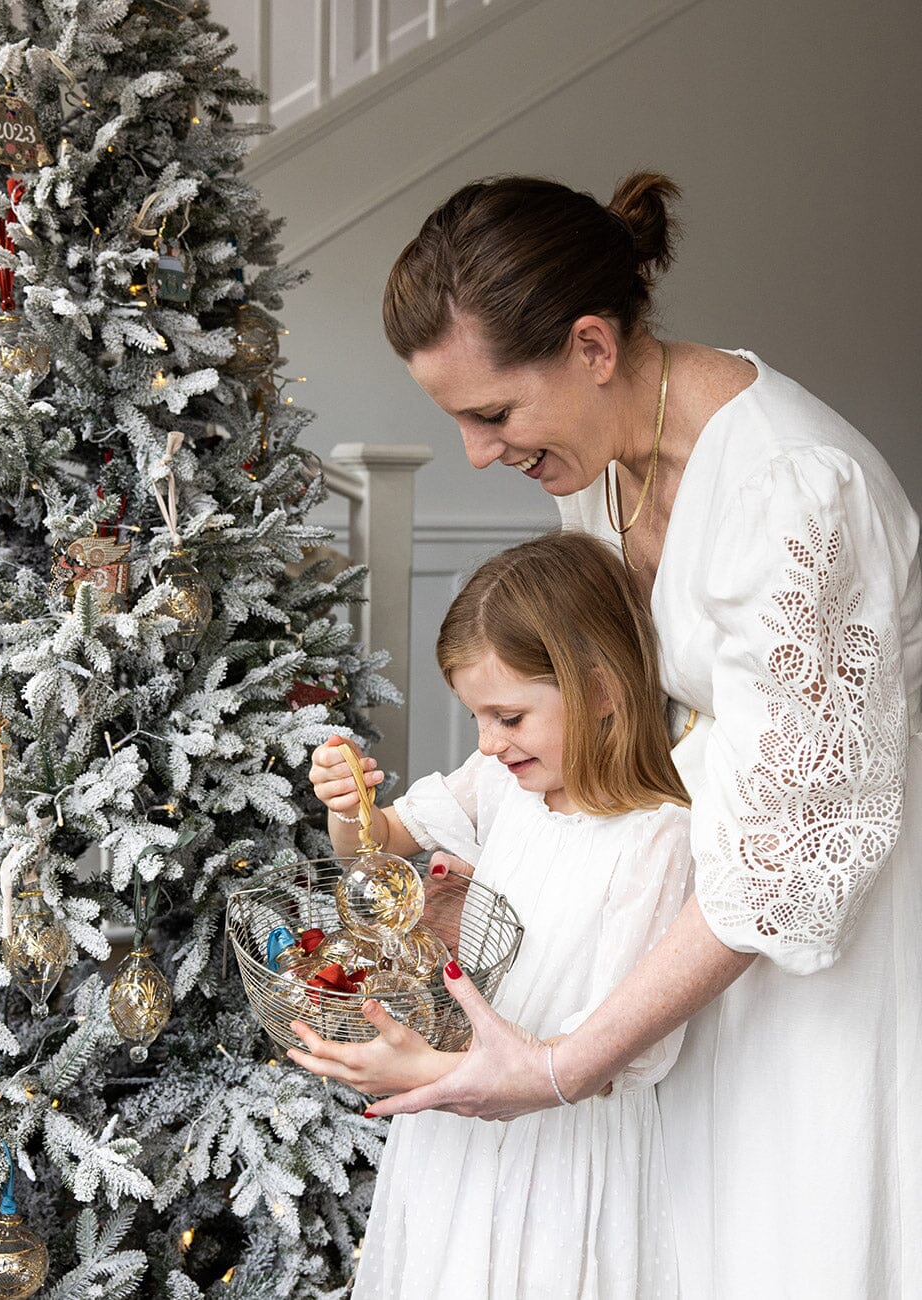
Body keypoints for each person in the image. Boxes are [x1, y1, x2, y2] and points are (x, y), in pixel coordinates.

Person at [310, 173, 920, 1298]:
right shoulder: (603, 471)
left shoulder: (796, 494)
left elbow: (786, 859)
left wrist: (555, 1067)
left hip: (818, 948)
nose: (478, 454)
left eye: (492, 413)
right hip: (688, 936)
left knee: (785, 1245)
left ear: (592, 344)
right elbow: (622, 733)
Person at [297, 531, 695, 1299]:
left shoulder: (657, 840)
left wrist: (431, 1072)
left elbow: (614, 1055)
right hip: (454, 1136)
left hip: (564, 1157)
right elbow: (374, 847)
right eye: (477, 716)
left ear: (602, 689)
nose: (486, 741)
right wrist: (348, 806)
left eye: (509, 717)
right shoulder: (502, 780)